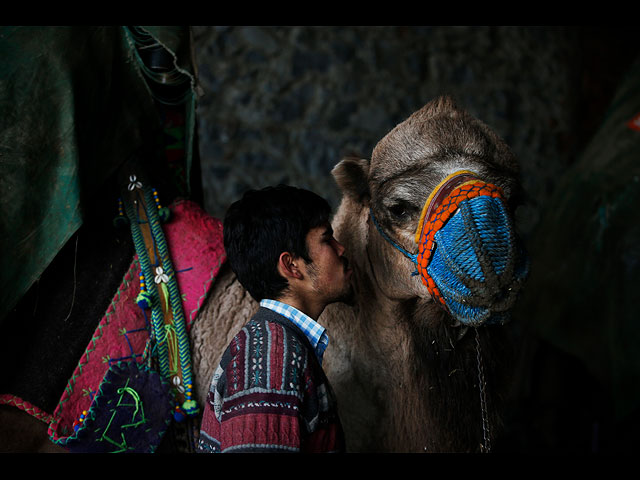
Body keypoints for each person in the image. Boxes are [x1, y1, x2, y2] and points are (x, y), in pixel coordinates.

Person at [197, 185, 353, 453]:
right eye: (327, 239)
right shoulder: (270, 358)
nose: (341, 249)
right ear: (292, 266)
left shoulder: (276, 346)